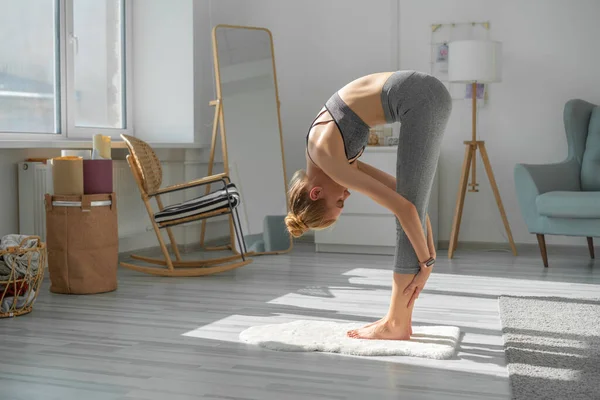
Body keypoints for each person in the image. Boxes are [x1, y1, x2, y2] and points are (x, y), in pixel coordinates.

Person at [285, 71, 452, 340]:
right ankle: (397, 321)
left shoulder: (327, 156)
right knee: (408, 205)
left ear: (316, 193)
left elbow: (405, 209)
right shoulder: (326, 156)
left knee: (404, 219)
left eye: (338, 201)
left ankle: (396, 324)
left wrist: (427, 264)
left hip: (421, 99)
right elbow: (407, 199)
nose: (346, 197)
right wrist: (428, 254)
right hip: (425, 95)